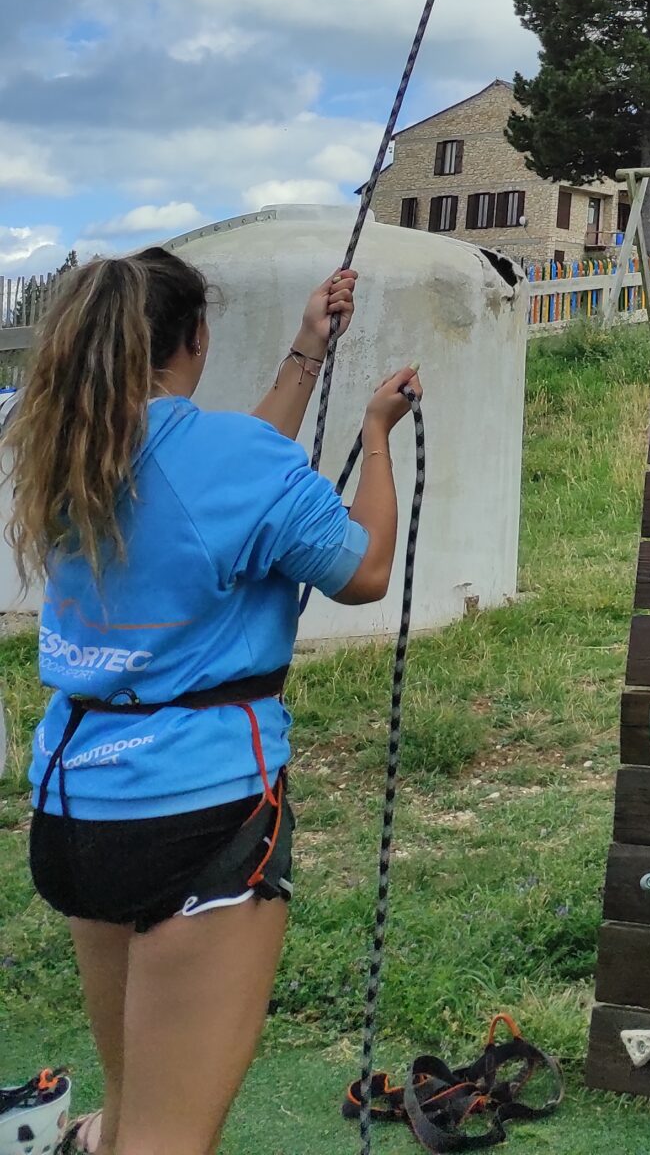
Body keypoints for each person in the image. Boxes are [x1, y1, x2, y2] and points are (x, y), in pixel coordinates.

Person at [1, 246, 420, 1155]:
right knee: (165, 1142)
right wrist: (378, 436)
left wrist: (309, 347)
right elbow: (367, 569)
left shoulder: (59, 438)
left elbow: (225, 476)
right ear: (194, 338)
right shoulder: (220, 460)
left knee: (129, 1117)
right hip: (197, 819)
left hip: (78, 810)